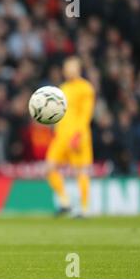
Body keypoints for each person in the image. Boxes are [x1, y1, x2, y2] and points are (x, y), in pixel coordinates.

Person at [46, 56, 95, 217]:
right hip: (61, 136)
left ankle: (85, 208)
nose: (68, 70)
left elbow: (85, 115)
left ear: (78, 69)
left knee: (80, 171)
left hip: (77, 135)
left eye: (71, 67)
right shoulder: (63, 87)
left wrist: (78, 134)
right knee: (49, 167)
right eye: (66, 67)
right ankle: (65, 202)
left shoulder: (86, 88)